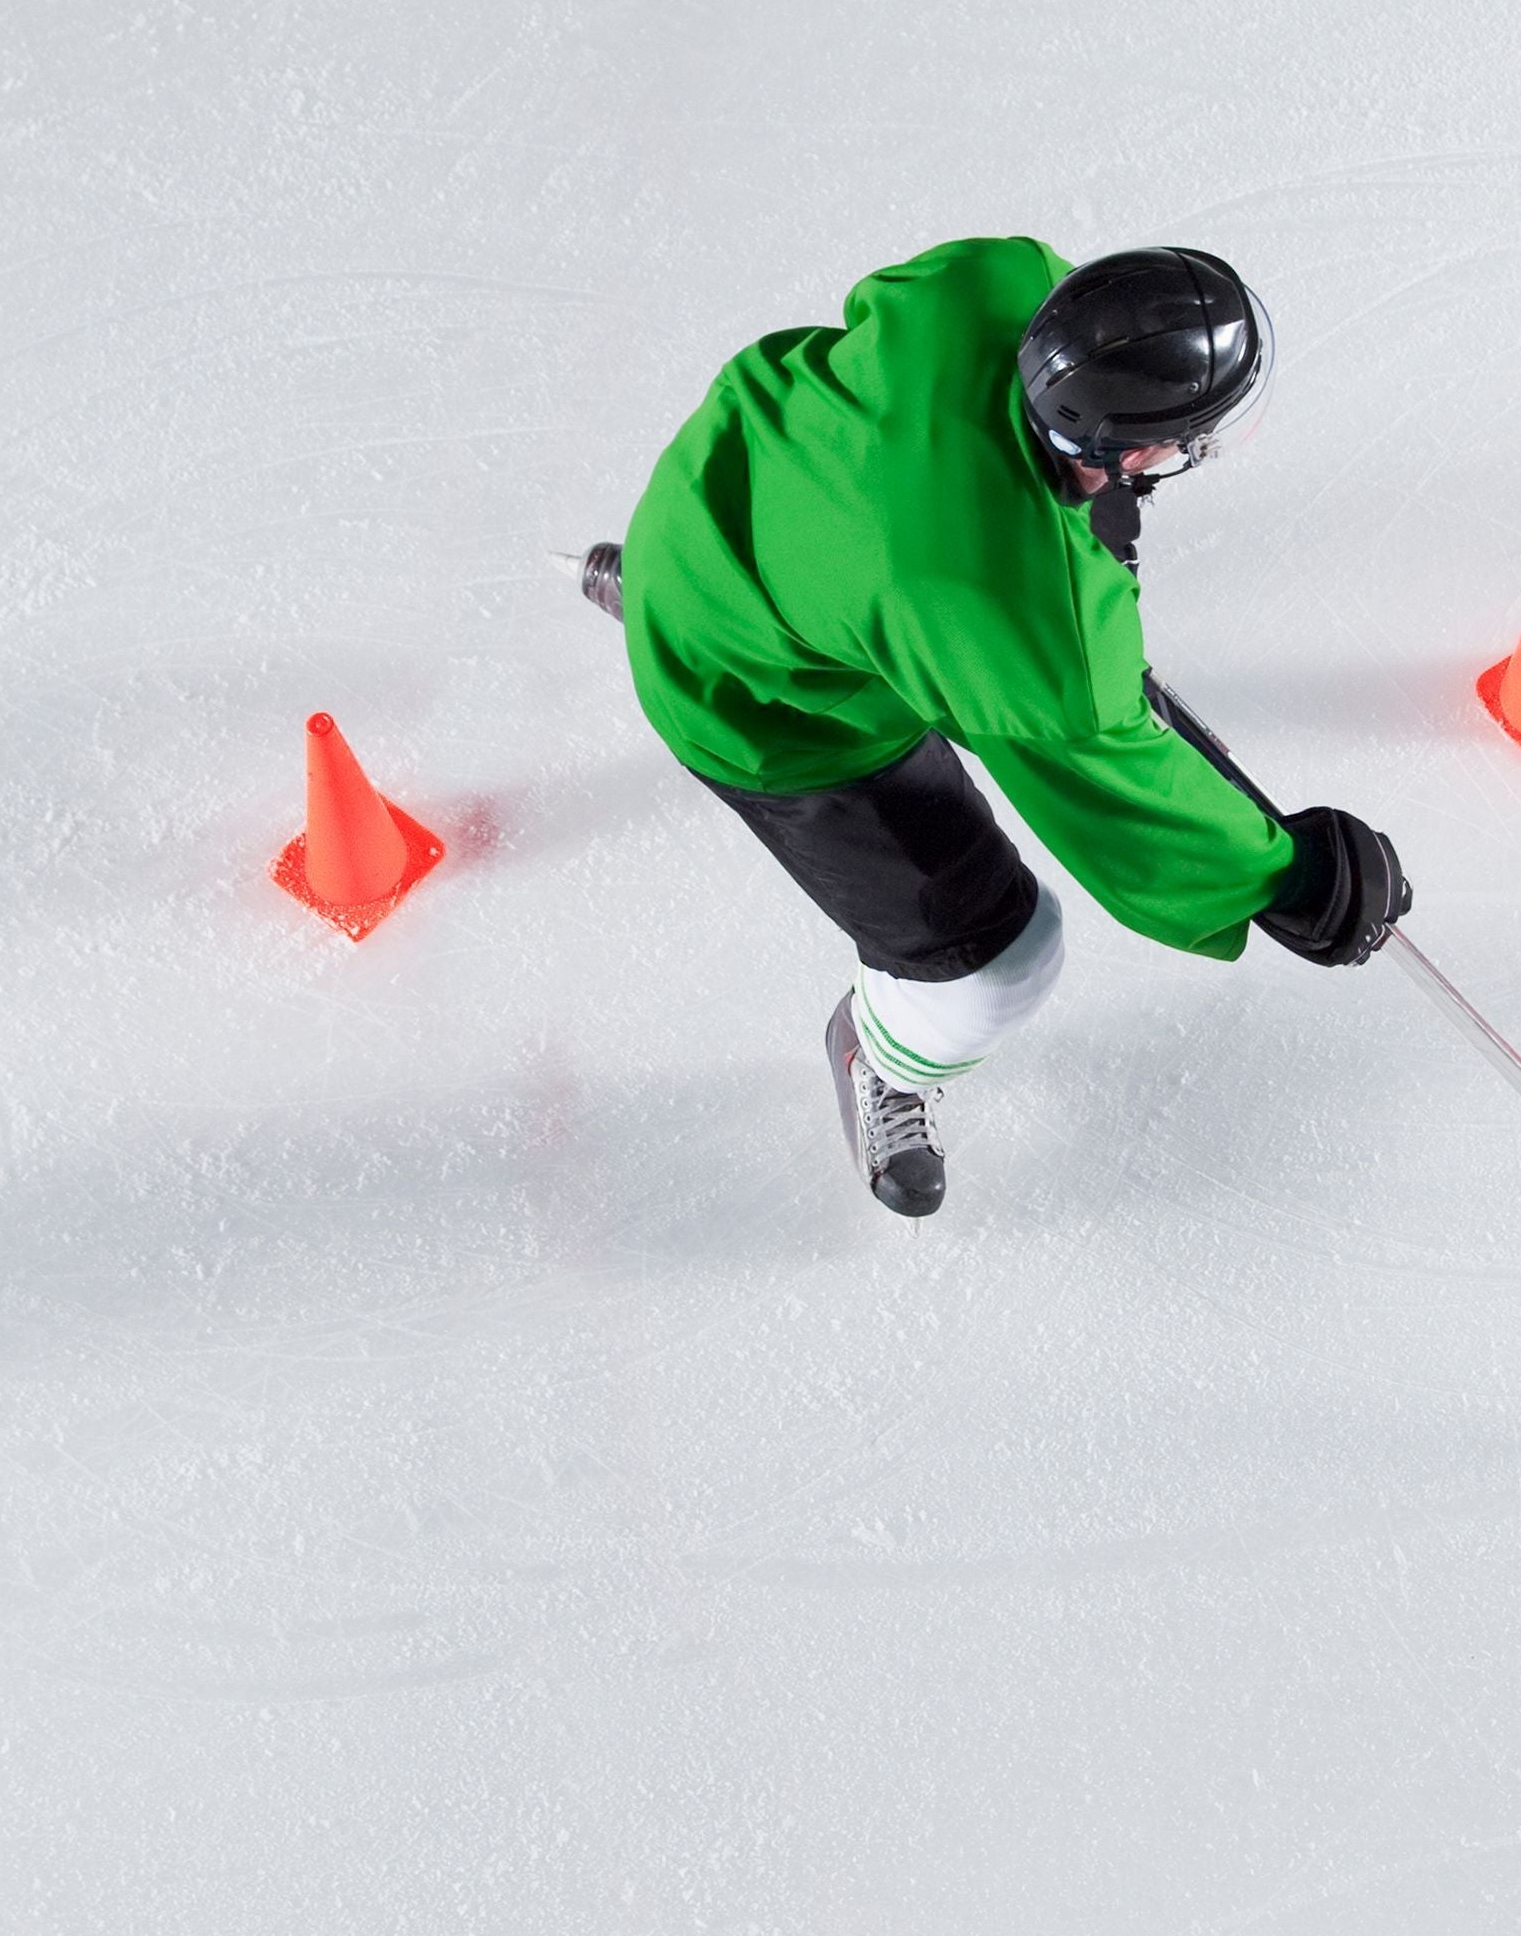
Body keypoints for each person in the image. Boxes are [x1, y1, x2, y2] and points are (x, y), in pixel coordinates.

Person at [589, 238, 1415, 1215]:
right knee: (998, 960)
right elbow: (1122, 808)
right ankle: (883, 1058)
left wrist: (1083, 531)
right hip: (756, 700)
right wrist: (1288, 878)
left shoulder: (994, 281)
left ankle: (662, 588)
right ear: (1134, 451)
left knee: (864, 591)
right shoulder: (1022, 634)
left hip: (710, 504)